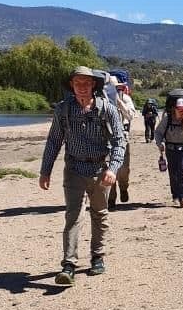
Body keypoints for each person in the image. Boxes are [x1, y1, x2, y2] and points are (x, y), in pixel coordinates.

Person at [39, 66, 127, 285]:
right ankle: (68, 265)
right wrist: (45, 171)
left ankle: (97, 257)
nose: (82, 87)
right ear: (72, 85)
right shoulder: (63, 110)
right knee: (73, 216)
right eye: (77, 83)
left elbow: (119, 141)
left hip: (100, 170)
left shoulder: (107, 109)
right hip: (74, 170)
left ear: (93, 85)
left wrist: (113, 168)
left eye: (86, 83)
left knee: (99, 214)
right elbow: (54, 141)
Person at [156, 97, 183, 207]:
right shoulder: (167, 119)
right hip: (170, 148)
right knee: (173, 172)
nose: (182, 112)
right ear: (174, 109)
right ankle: (175, 196)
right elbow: (158, 132)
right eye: (179, 109)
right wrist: (159, 143)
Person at [108, 83, 138, 210]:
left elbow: (130, 116)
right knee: (109, 168)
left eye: (117, 88)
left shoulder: (125, 98)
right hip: (106, 139)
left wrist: (119, 102)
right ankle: (111, 198)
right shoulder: (102, 98)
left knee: (124, 169)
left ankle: (124, 187)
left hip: (123, 139)